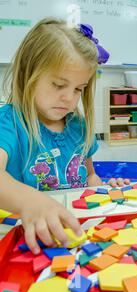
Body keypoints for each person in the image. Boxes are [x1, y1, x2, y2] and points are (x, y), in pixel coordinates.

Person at [0, 18, 111, 254]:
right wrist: (30, 201)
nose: (69, 98)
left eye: (78, 89)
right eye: (59, 85)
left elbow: (89, 175)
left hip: (73, 236)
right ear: (28, 74)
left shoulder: (78, 126)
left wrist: (102, 189)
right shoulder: (9, 123)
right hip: (23, 240)